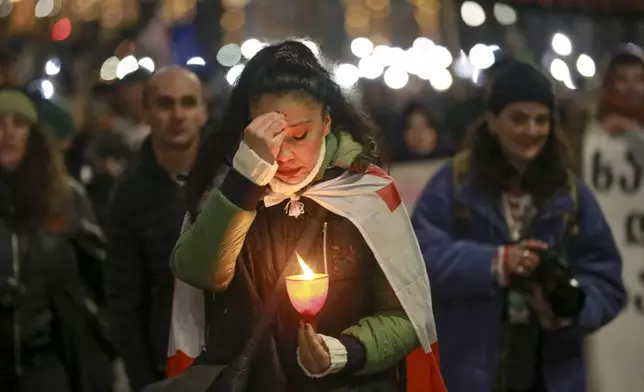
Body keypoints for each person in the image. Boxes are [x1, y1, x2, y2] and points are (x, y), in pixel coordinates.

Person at [168, 41, 443, 391]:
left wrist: (345, 350)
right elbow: (199, 273)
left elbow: (407, 314)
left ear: (326, 122)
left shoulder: (365, 191)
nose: (284, 154)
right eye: (270, 136)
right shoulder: (227, 189)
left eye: (299, 135)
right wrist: (244, 181)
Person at [411, 62, 625, 392]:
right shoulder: (453, 183)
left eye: (541, 119)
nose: (532, 130)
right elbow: (420, 260)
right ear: (492, 121)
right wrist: (497, 262)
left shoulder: (570, 193)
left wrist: (568, 307)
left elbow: (607, 280)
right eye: (519, 118)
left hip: (552, 373)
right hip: (470, 371)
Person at [0, 87, 113, 391]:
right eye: (0, 123)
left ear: (33, 134)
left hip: (47, 356)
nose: (8, 133)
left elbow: (99, 268)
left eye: (19, 123)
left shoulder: (63, 196)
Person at [105, 66, 206, 392]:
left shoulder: (232, 178)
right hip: (168, 366)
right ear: (146, 113)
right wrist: (145, 380)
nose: (178, 114)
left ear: (203, 112)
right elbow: (124, 300)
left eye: (188, 103)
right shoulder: (129, 196)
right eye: (165, 104)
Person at [591, 44, 644, 167]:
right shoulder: (584, 121)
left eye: (639, 79)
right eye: (622, 79)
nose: (632, 87)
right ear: (608, 83)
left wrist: (635, 133)